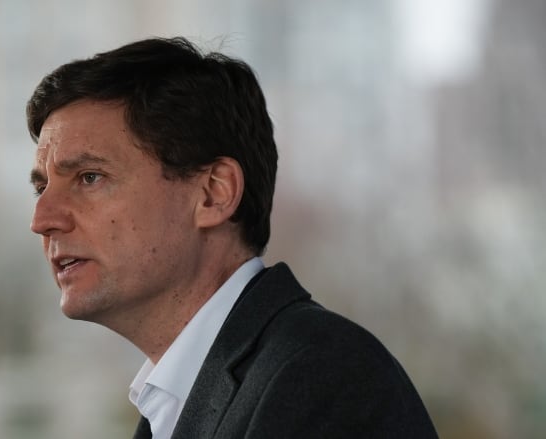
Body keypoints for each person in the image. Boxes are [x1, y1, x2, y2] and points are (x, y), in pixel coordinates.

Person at [27, 37, 438, 439]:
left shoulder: (324, 378)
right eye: (41, 187)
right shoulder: (173, 405)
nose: (42, 219)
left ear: (213, 193)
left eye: (89, 178)